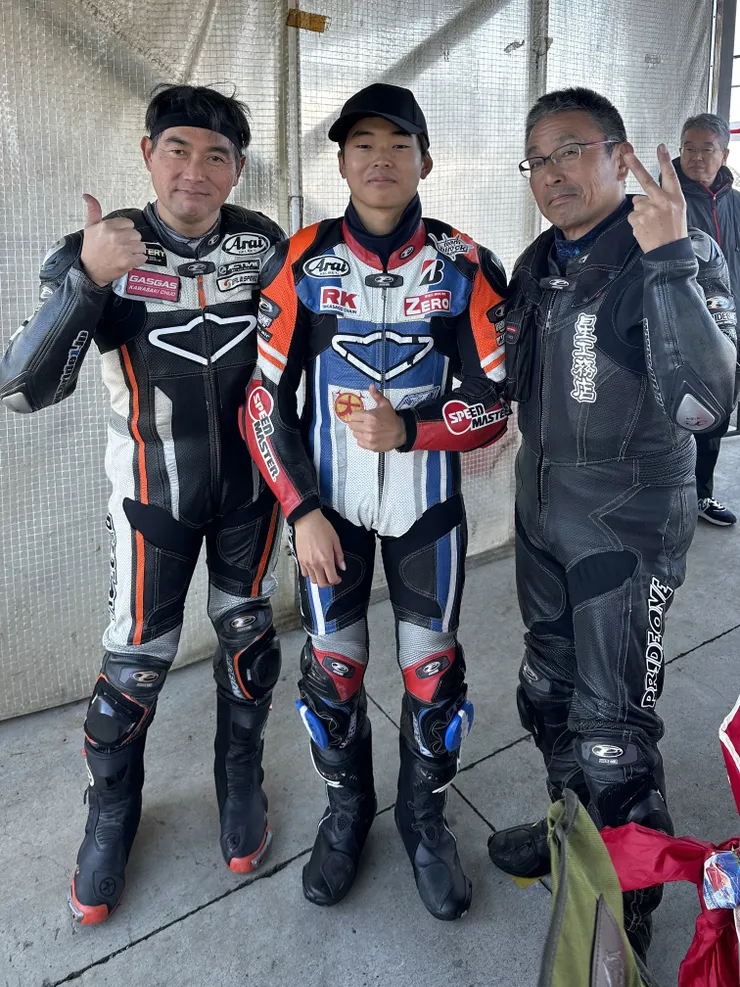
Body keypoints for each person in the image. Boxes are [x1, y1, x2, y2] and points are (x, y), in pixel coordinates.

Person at [0, 85, 286, 924]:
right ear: (146, 153)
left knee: (250, 641)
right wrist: (87, 280)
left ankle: (240, 778)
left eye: (217, 155)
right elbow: (21, 389)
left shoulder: (263, 242)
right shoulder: (104, 245)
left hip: (253, 494)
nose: (196, 171)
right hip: (151, 500)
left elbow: (298, 359)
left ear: (238, 167)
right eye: (178, 150)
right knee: (133, 667)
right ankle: (111, 812)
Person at [241, 83, 509, 920]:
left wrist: (412, 431)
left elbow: (496, 400)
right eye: (363, 144)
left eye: (399, 145)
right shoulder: (301, 261)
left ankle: (425, 823)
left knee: (433, 678)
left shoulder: (466, 264)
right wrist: (300, 512)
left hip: (429, 513)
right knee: (333, 674)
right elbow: (263, 403)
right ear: (342, 162)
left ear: (426, 160)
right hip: (330, 516)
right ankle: (347, 814)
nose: (381, 160)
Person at [486, 87, 737, 961]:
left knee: (612, 732)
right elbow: (506, 379)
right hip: (542, 515)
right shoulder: (538, 262)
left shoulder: (674, 247)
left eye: (572, 150)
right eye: (539, 158)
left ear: (619, 156)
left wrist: (668, 262)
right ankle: (575, 837)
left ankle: (629, 902)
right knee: (546, 694)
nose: (553, 172)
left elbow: (708, 403)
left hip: (626, 529)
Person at [676, 112, 740, 525]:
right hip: (678, 329)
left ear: (724, 154)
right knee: (672, 414)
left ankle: (701, 495)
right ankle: (666, 499)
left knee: (715, 413)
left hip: (727, 329)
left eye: (706, 149)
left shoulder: (736, 203)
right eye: (689, 148)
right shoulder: (665, 200)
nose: (696, 157)